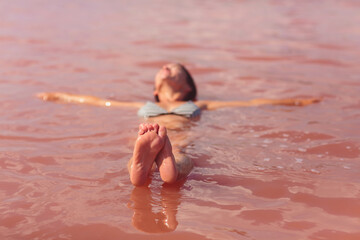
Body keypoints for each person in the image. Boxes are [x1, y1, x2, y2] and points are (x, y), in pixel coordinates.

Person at [37, 63, 321, 186]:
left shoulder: (198, 104)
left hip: (175, 132)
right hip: (150, 129)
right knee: (170, 156)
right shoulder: (144, 106)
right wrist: (58, 96)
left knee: (179, 152)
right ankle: (148, 164)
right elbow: (95, 101)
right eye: (163, 68)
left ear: (187, 88)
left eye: (176, 68)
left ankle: (157, 162)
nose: (166, 66)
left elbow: (252, 103)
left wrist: (296, 101)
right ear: (155, 90)